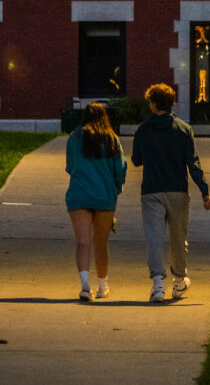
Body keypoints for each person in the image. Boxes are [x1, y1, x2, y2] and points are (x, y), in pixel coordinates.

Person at [130, 83, 210, 303]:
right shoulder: (184, 129)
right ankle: (179, 279)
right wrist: (204, 190)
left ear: (153, 103)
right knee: (178, 237)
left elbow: (136, 160)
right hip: (178, 190)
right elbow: (192, 163)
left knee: (154, 237)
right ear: (171, 103)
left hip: (151, 191)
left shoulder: (143, 130)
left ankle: (157, 283)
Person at [64, 102, 128, 302]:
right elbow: (121, 168)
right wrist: (116, 188)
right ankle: (102, 287)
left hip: (79, 195)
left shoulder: (75, 138)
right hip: (104, 196)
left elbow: (70, 166)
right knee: (101, 244)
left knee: (83, 243)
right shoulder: (111, 139)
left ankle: (85, 286)